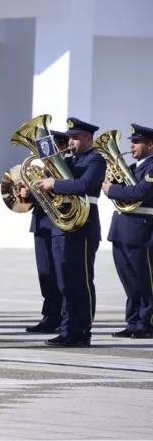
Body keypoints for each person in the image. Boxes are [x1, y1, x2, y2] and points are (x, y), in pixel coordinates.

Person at [34, 117, 106, 347]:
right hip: (62, 225)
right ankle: (67, 329)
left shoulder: (95, 160)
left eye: (75, 138)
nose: (71, 142)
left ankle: (81, 330)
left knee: (80, 281)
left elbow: (84, 185)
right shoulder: (68, 161)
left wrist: (53, 184)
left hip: (83, 226)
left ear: (87, 138)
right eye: (70, 138)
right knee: (64, 281)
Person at [103, 123, 153, 339]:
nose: (131, 146)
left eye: (136, 142)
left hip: (141, 232)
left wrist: (112, 189)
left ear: (150, 145)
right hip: (121, 230)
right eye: (131, 142)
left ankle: (147, 323)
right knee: (130, 282)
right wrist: (111, 181)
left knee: (145, 281)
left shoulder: (151, 168)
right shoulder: (132, 168)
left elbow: (140, 192)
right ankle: (133, 322)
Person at [22, 130, 69, 334]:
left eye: (53, 146)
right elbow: (39, 194)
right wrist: (26, 193)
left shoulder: (66, 167)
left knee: (60, 274)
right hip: (41, 223)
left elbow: (64, 192)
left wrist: (38, 191)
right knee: (45, 274)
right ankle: (49, 316)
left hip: (58, 223)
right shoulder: (44, 168)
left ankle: (62, 316)